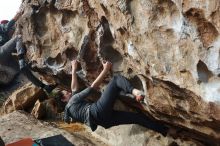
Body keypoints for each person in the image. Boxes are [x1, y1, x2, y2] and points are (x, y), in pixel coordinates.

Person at [62, 60, 170, 136]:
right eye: (65, 93)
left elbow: (74, 88)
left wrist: (74, 69)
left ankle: (164, 130)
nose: (67, 92)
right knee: (116, 80)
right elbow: (93, 87)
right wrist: (106, 69)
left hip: (104, 121)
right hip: (97, 111)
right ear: (63, 99)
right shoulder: (72, 101)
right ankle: (135, 92)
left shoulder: (69, 110)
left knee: (137, 118)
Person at [0, 11, 56, 93]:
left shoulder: (6, 40)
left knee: (23, 70)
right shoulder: (2, 26)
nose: (12, 30)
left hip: (3, 61)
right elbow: (7, 27)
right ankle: (22, 62)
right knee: (18, 37)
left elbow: (15, 48)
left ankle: (45, 87)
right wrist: (16, 16)